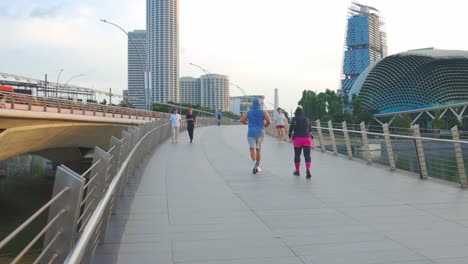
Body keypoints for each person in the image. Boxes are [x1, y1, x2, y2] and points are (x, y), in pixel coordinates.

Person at [240, 98, 272, 174]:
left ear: (252, 105)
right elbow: (269, 121)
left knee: (252, 149)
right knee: (258, 149)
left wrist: (248, 123)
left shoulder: (248, 112)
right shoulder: (263, 112)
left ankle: (255, 163)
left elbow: (241, 120)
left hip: (251, 133)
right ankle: (257, 166)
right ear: (259, 105)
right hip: (260, 133)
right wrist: (264, 126)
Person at [288, 106, 313, 179]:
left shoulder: (294, 119)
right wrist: (311, 137)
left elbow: (292, 125)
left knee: (297, 155)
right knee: (307, 155)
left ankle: (297, 171)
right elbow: (310, 130)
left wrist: (290, 133)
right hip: (307, 138)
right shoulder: (307, 119)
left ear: (296, 113)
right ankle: (308, 169)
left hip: (298, 138)